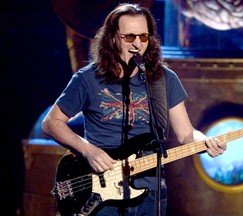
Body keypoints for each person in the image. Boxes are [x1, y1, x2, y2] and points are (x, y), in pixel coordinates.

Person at [41, 3, 227, 216]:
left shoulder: (163, 79)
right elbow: (50, 123)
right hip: (99, 190)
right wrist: (88, 150)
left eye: (144, 37)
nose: (138, 44)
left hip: (151, 192)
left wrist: (204, 141)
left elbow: (186, 133)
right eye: (129, 37)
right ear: (112, 38)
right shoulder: (87, 78)